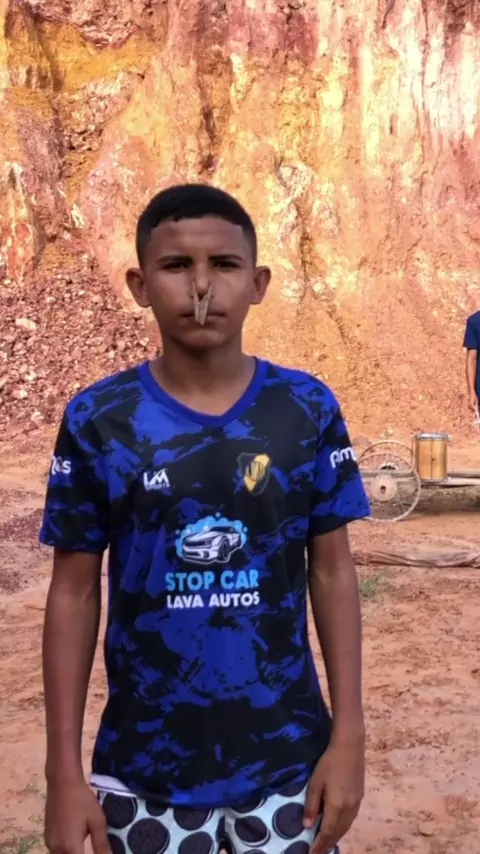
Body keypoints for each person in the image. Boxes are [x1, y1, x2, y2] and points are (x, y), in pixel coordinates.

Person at [40, 184, 371, 854]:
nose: (200, 287)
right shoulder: (100, 419)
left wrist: (350, 738)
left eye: (223, 265)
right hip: (142, 774)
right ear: (139, 286)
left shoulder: (305, 408)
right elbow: (72, 593)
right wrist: (62, 775)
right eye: (175, 266)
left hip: (289, 770)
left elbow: (333, 574)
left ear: (258, 283)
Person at [464, 310, 480, 417]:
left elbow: (472, 359)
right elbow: (471, 358)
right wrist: (471, 391)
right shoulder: (475, 321)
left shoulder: (474, 320)